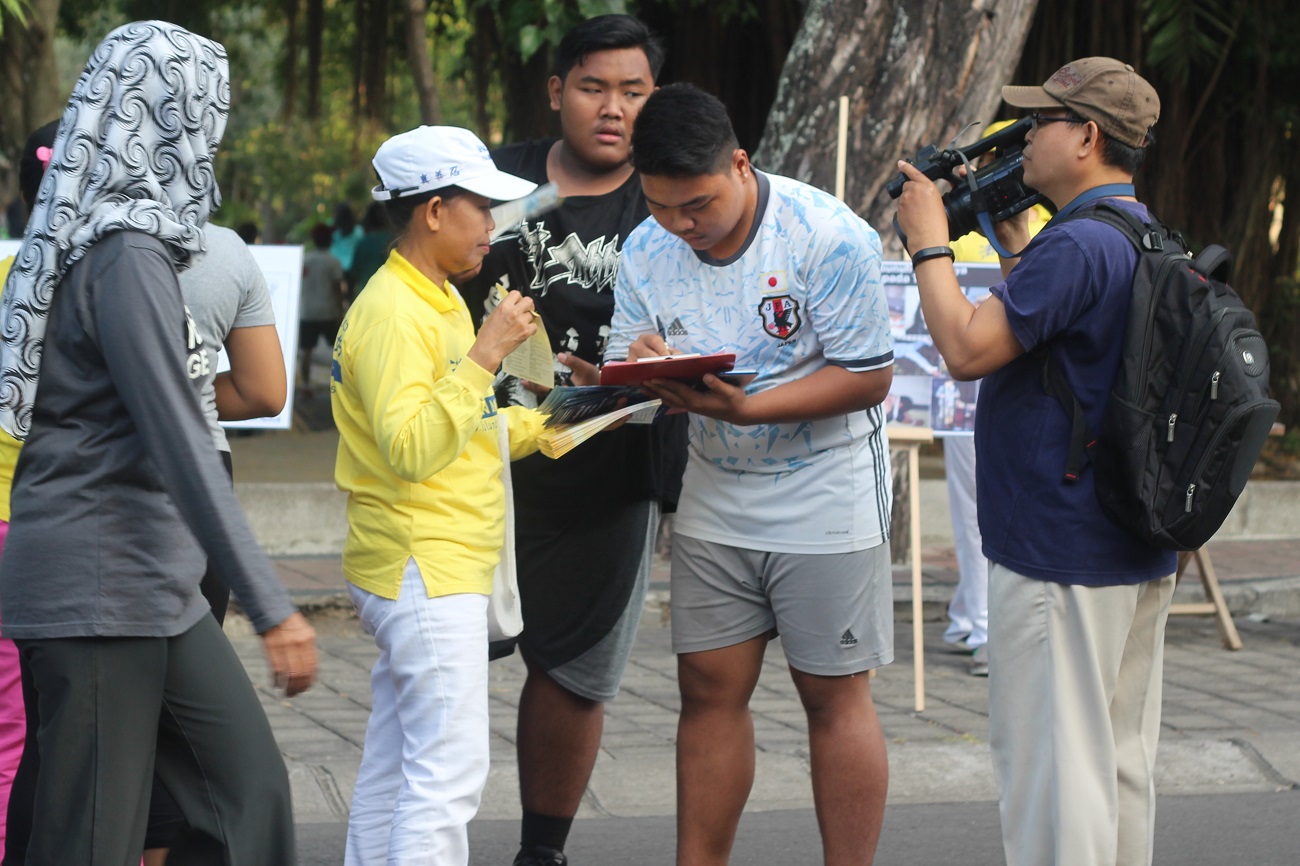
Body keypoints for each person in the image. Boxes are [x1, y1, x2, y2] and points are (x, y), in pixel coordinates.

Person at [0, 20, 317, 866]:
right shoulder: (122, 254)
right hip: (98, 583)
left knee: (248, 794)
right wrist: (271, 603)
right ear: (172, 117)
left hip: (155, 584)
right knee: (94, 839)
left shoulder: (120, 245)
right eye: (209, 113)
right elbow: (179, 435)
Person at [895, 57, 1176, 866]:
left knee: (1055, 771)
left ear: (1086, 137)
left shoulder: (1078, 244)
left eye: (1039, 123)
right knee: (1117, 759)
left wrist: (929, 241)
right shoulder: (1138, 231)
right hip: (1129, 539)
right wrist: (1018, 242)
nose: (1020, 139)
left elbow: (965, 349)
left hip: (1060, 549)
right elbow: (1067, 342)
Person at [608, 84, 895, 866]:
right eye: (660, 206)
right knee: (705, 690)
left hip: (827, 492)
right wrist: (642, 365)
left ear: (740, 163)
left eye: (697, 204)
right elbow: (630, 352)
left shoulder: (827, 235)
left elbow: (869, 376)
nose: (681, 225)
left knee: (832, 695)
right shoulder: (645, 248)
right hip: (714, 491)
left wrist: (748, 409)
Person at [454, 15, 680, 866]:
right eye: (593, 87)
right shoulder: (492, 179)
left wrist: (651, 361)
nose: (613, 108)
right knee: (444, 656)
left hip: (609, 470)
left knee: (575, 674)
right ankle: (415, 837)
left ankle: (540, 853)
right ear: (557, 92)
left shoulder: (670, 198)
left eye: (633, 91)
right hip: (471, 462)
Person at [332, 125, 546, 866]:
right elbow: (413, 447)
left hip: (429, 561)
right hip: (424, 562)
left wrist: (562, 421)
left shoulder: (439, 298)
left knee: (399, 767)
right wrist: (486, 355)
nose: (492, 224)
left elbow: (465, 428)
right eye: (481, 207)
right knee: (447, 776)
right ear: (432, 211)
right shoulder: (395, 312)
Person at [143, 221, 288, 863]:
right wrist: (192, 397)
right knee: (178, 714)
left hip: (88, 488)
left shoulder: (59, 249)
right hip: (199, 474)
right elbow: (264, 390)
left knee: (99, 718)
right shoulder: (221, 249)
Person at [943, 125, 1052, 676]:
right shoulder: (967, 220)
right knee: (973, 507)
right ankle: (976, 616)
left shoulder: (1053, 228)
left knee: (992, 507)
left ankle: (988, 624)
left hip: (1009, 382)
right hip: (965, 388)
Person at [298, 221, 346, 395]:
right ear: (329, 240)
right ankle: (343, 385)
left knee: (306, 351)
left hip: (308, 311)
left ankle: (305, 384)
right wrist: (341, 310)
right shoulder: (333, 261)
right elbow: (337, 289)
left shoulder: (306, 260)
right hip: (328, 311)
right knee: (339, 350)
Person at [348, 202, 394, 301]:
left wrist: (350, 298)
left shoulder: (363, 243)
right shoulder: (392, 242)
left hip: (367, 296)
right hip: (390, 296)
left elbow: (354, 274)